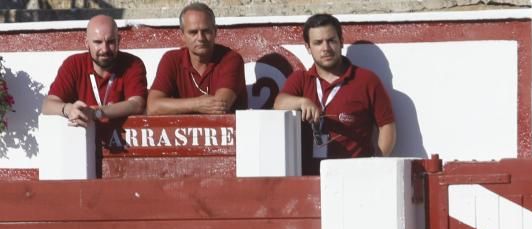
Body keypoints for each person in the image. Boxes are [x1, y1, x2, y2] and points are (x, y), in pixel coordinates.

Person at [274, 14, 396, 174]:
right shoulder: (300, 79)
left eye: (331, 40)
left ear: (341, 42)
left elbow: (387, 125)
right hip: (308, 180)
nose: (325, 48)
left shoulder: (366, 80)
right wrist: (302, 102)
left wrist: (376, 164)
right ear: (308, 47)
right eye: (318, 43)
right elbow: (278, 104)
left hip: (353, 177)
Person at [41, 14, 147, 127]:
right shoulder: (73, 64)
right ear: (87, 43)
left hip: (122, 142)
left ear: (119, 40)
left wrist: (96, 113)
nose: (105, 49)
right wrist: (69, 109)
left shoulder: (132, 63)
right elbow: (47, 105)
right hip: (82, 142)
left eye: (110, 42)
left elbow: (137, 104)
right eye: (98, 42)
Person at [147, 2, 246, 115]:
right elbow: (152, 106)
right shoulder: (171, 59)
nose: (200, 38)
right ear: (182, 35)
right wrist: (197, 103)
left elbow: (220, 106)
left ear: (215, 32)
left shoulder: (230, 59)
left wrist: (176, 105)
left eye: (206, 31)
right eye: (193, 32)